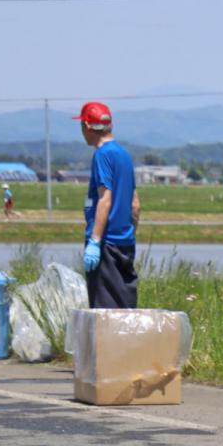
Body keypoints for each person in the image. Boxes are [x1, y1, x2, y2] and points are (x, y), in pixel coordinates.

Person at [74, 101, 141, 308]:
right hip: (124, 244)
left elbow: (105, 198)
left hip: (106, 244)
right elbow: (136, 204)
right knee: (125, 306)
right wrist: (129, 233)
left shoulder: (102, 155)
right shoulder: (124, 155)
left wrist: (95, 241)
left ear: (86, 126)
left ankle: (106, 343)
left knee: (105, 312)